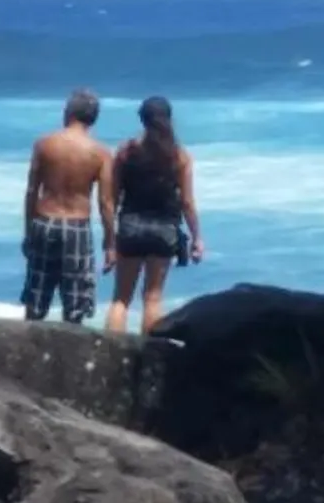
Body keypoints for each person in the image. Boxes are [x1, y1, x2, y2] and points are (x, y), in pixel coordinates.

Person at [104, 95, 202, 335]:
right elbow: (187, 202)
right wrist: (197, 237)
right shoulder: (179, 156)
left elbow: (111, 199)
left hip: (130, 227)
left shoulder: (126, 152)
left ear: (142, 120)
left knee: (121, 299)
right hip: (164, 230)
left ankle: (110, 351)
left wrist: (110, 240)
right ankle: (149, 352)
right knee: (153, 298)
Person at [20, 88, 116, 324]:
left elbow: (32, 191)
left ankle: (29, 345)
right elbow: (105, 202)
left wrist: (29, 231)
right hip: (77, 227)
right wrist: (110, 243)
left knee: (36, 300)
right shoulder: (100, 153)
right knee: (75, 304)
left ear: (69, 113)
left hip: (45, 221)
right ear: (92, 118)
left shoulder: (44, 144)